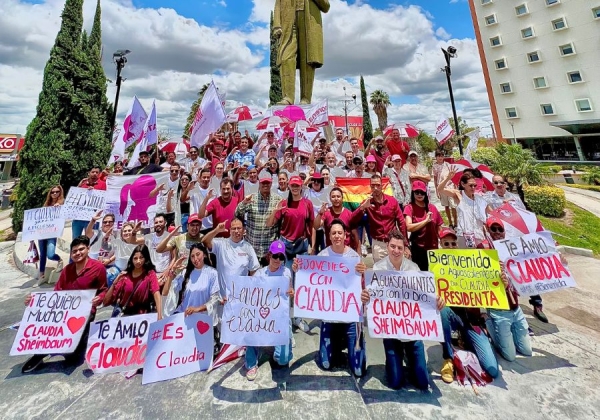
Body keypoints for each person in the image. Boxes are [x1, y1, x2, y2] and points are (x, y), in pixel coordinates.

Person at [368, 229, 444, 390]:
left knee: (423, 383)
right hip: (391, 331)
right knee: (395, 382)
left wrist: (436, 300)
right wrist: (366, 297)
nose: (396, 251)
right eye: (393, 247)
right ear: (387, 246)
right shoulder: (378, 269)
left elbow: (425, 295)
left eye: (400, 248)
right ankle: (397, 356)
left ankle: (410, 356)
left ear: (405, 250)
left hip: (412, 332)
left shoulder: (413, 268)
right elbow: (372, 298)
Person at [21, 236, 108, 373]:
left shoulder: (98, 268)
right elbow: (56, 293)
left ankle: (79, 343)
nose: (78, 253)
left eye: (81, 249)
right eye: (74, 251)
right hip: (65, 312)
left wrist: (100, 298)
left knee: (72, 359)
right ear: (71, 253)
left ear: (88, 249)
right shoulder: (67, 270)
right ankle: (40, 352)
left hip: (86, 313)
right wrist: (34, 302)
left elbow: (104, 289)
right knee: (46, 327)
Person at [293, 220, 367, 377]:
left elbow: (362, 288)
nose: (337, 236)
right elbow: (310, 277)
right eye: (333, 233)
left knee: (359, 370)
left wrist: (363, 273)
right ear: (329, 236)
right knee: (326, 364)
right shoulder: (323, 256)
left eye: (340, 233)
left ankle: (357, 344)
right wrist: (299, 268)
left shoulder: (354, 257)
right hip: (330, 319)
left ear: (345, 235)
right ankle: (332, 347)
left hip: (350, 319)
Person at [437, 227, 499, 384]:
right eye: (446, 244)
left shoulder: (471, 264)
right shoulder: (436, 268)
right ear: (440, 245)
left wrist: (500, 282)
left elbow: (489, 289)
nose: (450, 247)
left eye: (453, 244)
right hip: (451, 315)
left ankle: (467, 338)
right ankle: (448, 358)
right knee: (441, 311)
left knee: (492, 369)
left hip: (472, 319)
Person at [480, 217, 532, 362]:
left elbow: (533, 261)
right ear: (488, 230)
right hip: (499, 310)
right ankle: (489, 324)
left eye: (500, 229)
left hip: (515, 308)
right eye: (493, 229)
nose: (497, 232)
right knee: (510, 356)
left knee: (527, 351)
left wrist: (557, 259)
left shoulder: (512, 248)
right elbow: (478, 279)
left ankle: (511, 333)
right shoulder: (484, 248)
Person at [266, 175, 314, 332]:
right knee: (287, 283)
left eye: (297, 185)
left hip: (301, 245)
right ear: (289, 187)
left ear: (301, 186)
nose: (295, 188)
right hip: (286, 246)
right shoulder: (283, 204)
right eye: (292, 185)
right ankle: (285, 317)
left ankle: (297, 317)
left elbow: (312, 225)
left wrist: (312, 246)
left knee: (300, 284)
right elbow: (270, 223)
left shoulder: (307, 204)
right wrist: (275, 211)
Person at [244, 240, 295, 381]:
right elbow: (250, 296)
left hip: (280, 318)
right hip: (262, 316)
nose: (277, 260)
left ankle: (286, 341)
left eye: (281, 257)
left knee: (283, 360)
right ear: (269, 256)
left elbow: (289, 292)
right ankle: (251, 363)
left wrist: (291, 292)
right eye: (275, 256)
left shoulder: (286, 272)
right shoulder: (259, 274)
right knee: (251, 326)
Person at [273, 0, 329, 104]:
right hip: (288, 22)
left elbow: (326, 6)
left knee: (308, 58)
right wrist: (276, 25)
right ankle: (288, 97)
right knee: (286, 58)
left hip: (309, 22)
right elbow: (278, 4)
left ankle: (305, 98)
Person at [349, 173, 409, 263]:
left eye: (378, 185)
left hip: (393, 242)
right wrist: (363, 207)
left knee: (396, 272)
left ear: (382, 186)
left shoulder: (392, 201)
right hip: (378, 245)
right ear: (370, 187)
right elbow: (352, 220)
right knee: (380, 273)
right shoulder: (367, 202)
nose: (375, 188)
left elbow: (401, 222)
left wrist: (405, 244)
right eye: (373, 186)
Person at [202, 219, 260, 297]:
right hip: (223, 298)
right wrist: (216, 230)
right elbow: (205, 242)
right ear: (230, 231)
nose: (236, 231)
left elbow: (254, 272)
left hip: (241, 297)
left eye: (239, 228)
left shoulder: (248, 247)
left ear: (243, 230)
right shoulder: (221, 244)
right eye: (233, 228)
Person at [162, 243, 220, 322]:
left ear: (204, 255)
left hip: (203, 321)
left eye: (198, 254)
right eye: (192, 256)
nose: (195, 259)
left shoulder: (212, 273)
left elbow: (215, 299)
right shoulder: (185, 273)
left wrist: (197, 309)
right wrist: (172, 270)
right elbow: (166, 293)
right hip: (184, 319)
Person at [103, 245, 162, 319]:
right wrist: (114, 283)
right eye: (135, 258)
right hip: (125, 317)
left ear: (146, 258)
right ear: (131, 259)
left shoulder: (150, 274)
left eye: (141, 258)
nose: (138, 261)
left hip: (142, 317)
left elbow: (156, 292)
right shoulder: (125, 276)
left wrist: (159, 315)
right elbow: (106, 302)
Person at [437, 169, 491, 248]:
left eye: (475, 185)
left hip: (479, 235)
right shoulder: (458, 194)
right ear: (463, 184)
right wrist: (447, 178)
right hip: (464, 235)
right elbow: (440, 189)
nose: (473, 188)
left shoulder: (480, 199)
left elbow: (492, 213)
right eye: (470, 185)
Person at [235, 176, 281, 263]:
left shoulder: (278, 200)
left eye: (268, 183)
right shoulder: (251, 198)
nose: (265, 185)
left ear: (271, 184)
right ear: (259, 184)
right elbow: (237, 213)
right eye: (263, 183)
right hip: (252, 249)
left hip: (269, 250)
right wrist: (244, 203)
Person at [404, 181, 444, 270]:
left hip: (433, 248)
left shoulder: (432, 207)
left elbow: (439, 227)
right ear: (413, 193)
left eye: (422, 192)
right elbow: (409, 227)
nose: (419, 194)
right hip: (418, 248)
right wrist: (425, 221)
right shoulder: (409, 208)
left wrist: (443, 240)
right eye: (417, 192)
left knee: (434, 274)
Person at [314, 187, 357, 252]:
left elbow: (355, 235)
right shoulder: (326, 213)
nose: (336, 199)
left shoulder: (349, 214)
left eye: (338, 196)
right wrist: (320, 214)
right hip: (330, 252)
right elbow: (316, 226)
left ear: (342, 198)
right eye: (333, 197)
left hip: (346, 251)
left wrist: (358, 252)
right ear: (330, 199)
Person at [38, 185, 64, 282]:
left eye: (57, 192)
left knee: (50, 254)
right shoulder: (46, 204)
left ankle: (59, 260)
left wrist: (59, 207)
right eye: (52, 192)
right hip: (42, 232)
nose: (54, 194)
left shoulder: (61, 203)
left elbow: (65, 214)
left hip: (52, 233)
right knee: (42, 254)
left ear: (60, 192)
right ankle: (41, 276)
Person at [73, 167, 107, 238]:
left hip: (92, 218)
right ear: (89, 173)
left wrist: (94, 192)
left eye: (97, 172)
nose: (95, 174)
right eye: (93, 172)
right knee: (75, 239)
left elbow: (103, 199)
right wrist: (79, 185)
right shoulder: (83, 183)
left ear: (99, 174)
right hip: (78, 217)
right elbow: (74, 196)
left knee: (91, 240)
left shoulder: (103, 184)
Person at [143, 214, 173, 287]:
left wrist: (167, 271)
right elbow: (133, 240)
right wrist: (134, 232)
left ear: (165, 223)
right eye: (156, 222)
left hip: (164, 273)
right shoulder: (149, 237)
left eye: (160, 222)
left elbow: (174, 257)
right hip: (152, 273)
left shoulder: (170, 237)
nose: (158, 224)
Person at [432, 151, 457, 229]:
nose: (440, 157)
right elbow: (435, 179)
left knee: (453, 205)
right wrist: (437, 190)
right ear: (436, 157)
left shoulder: (448, 165)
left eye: (441, 156)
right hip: (441, 188)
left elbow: (453, 176)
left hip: (449, 187)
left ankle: (456, 223)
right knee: (446, 206)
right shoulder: (434, 166)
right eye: (438, 156)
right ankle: (450, 223)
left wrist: (455, 186)